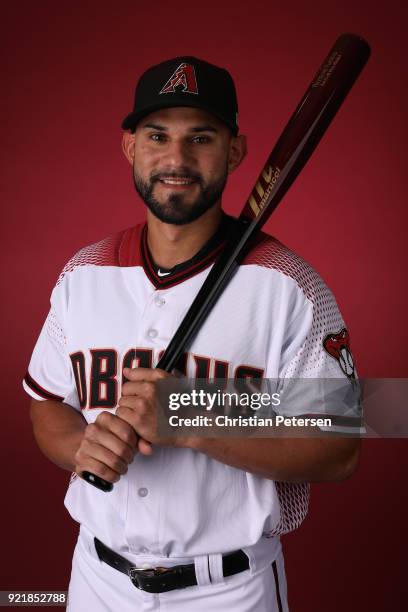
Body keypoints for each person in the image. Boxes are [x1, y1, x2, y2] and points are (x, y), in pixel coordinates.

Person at [24, 56, 360, 612]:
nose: (176, 159)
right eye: (158, 136)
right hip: (96, 578)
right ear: (131, 146)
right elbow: (46, 403)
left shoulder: (289, 285)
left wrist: (188, 412)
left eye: (200, 137)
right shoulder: (82, 274)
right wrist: (81, 446)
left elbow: (340, 448)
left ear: (234, 150)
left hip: (229, 590)